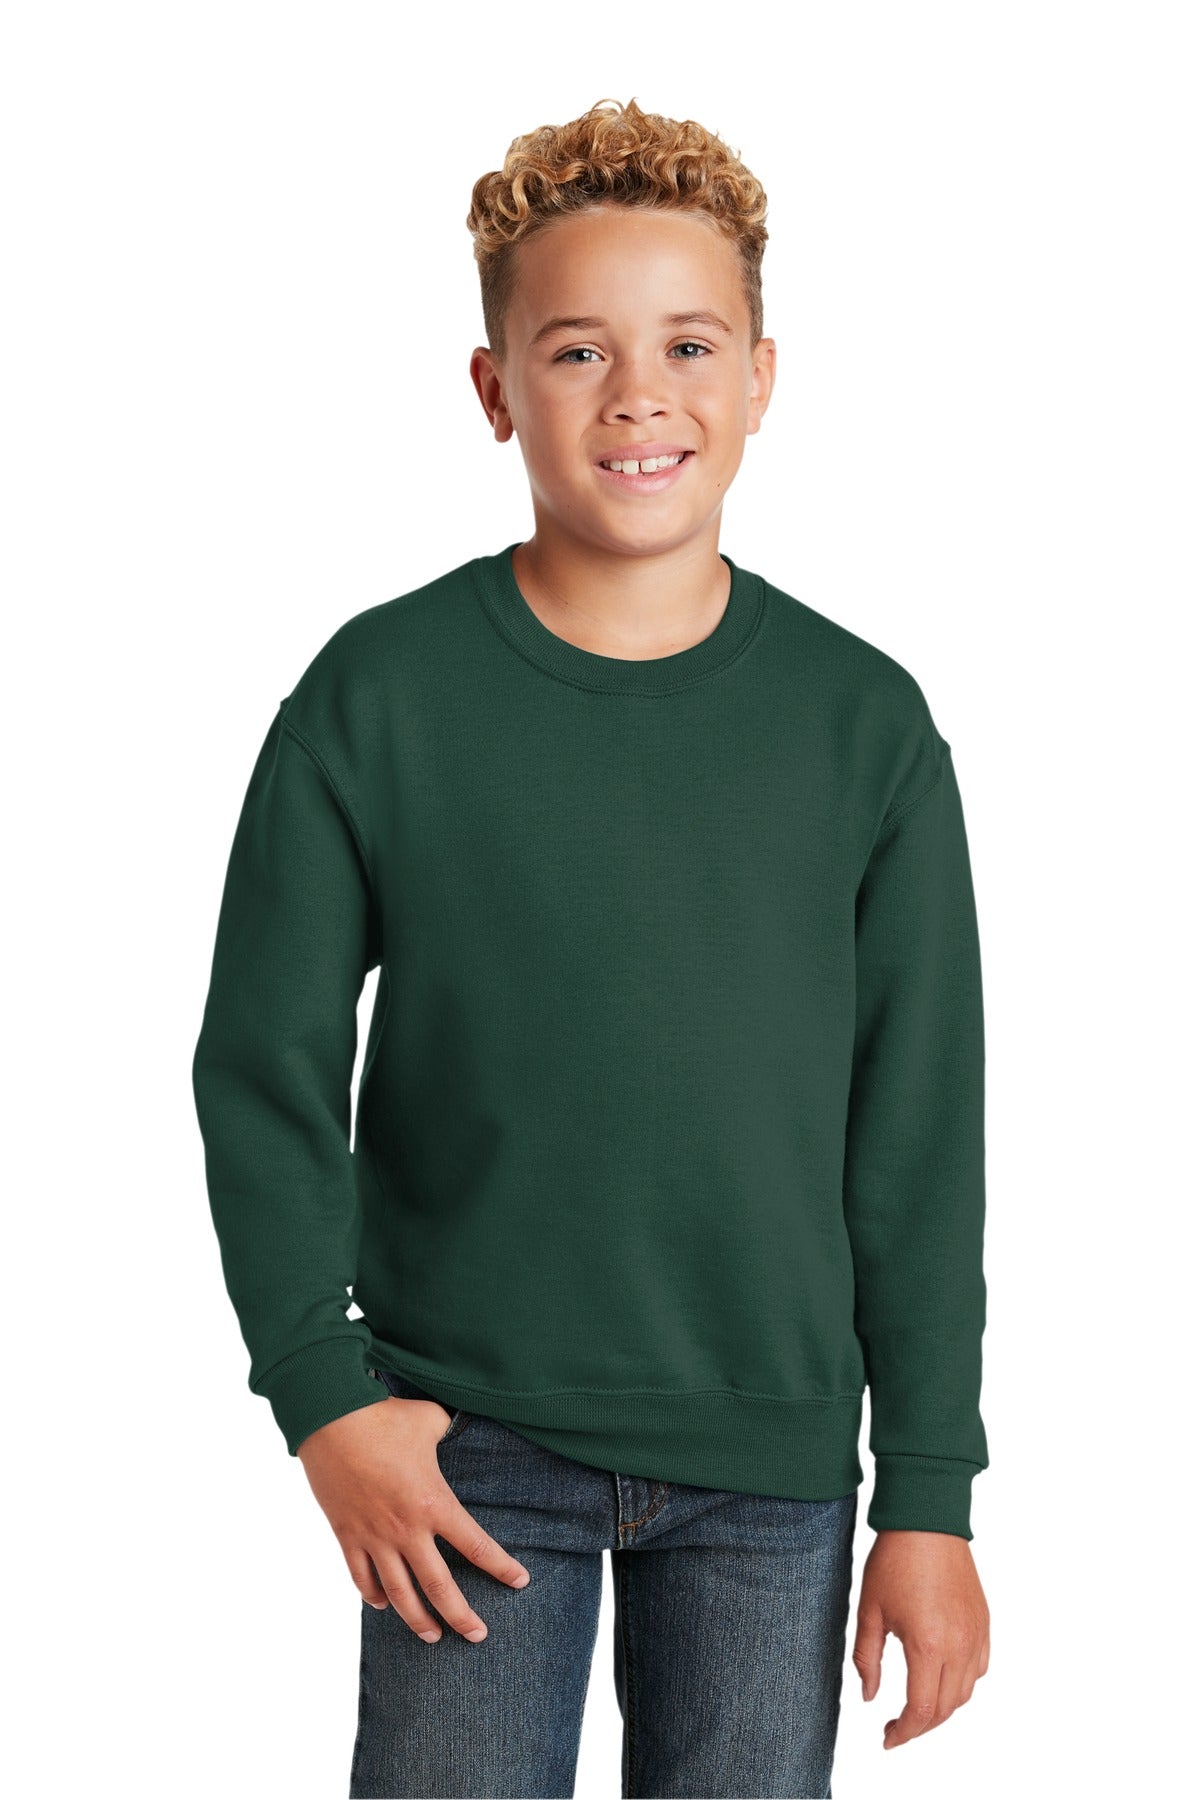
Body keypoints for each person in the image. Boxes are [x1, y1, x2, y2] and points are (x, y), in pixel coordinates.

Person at [192, 94, 991, 1800]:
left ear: (762, 379)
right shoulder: (378, 698)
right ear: (495, 390)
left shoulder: (864, 727)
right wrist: (323, 1398)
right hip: (459, 1449)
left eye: (690, 344)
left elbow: (919, 1141)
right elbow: (262, 1071)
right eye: (577, 352)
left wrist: (929, 1491)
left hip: (771, 1466)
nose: (639, 395)